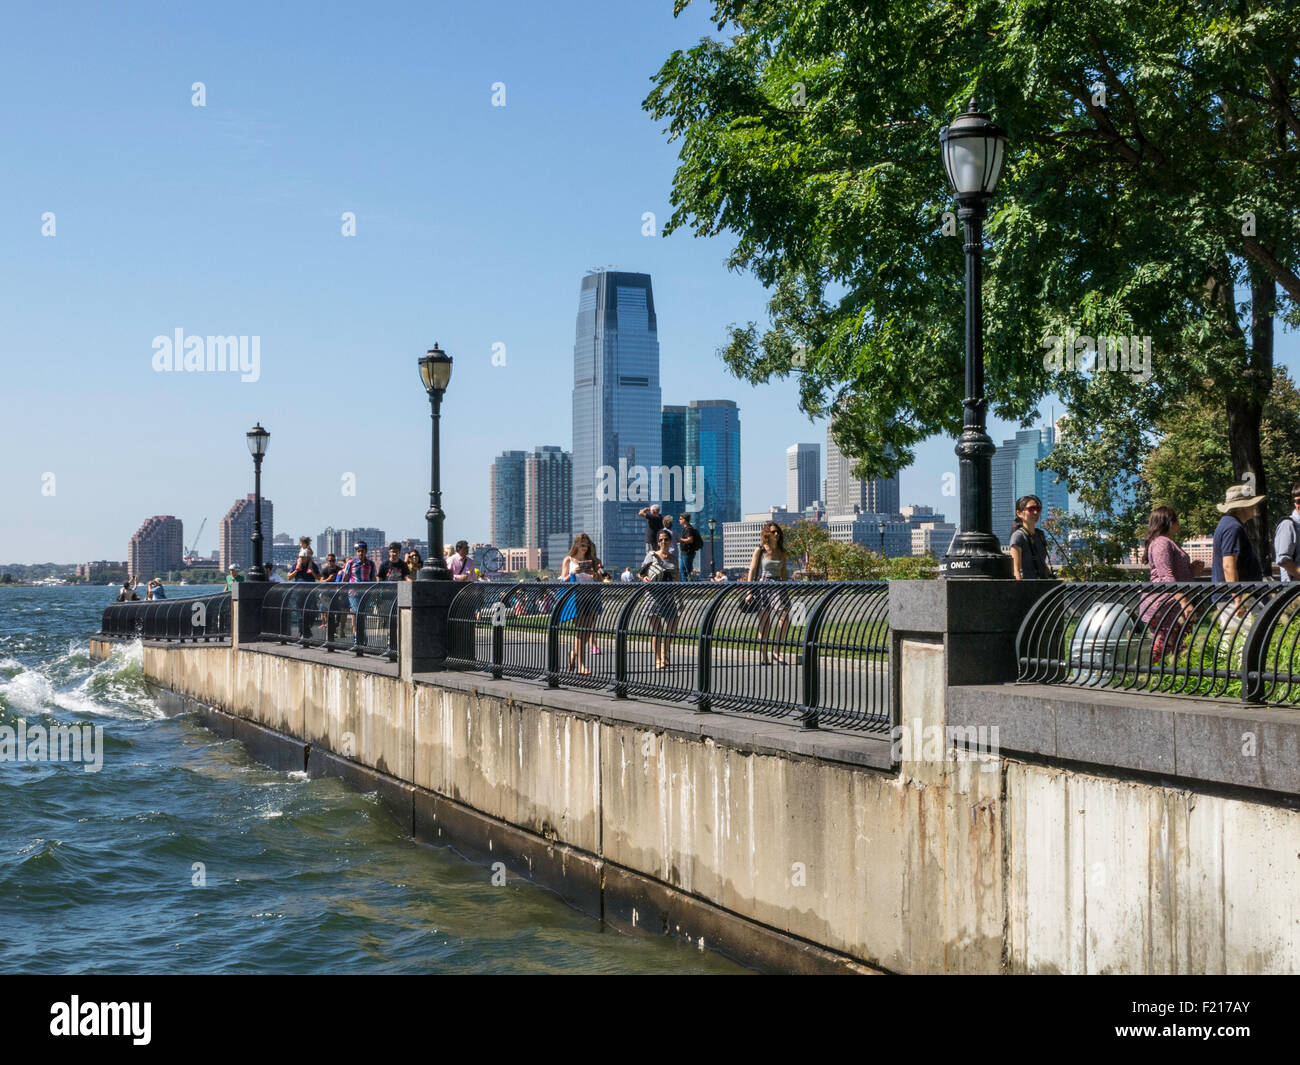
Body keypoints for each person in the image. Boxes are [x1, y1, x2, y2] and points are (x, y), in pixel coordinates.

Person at [1139, 506, 1202, 660]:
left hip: (1172, 604)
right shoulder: (1161, 543)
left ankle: (1173, 678)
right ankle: (1155, 677)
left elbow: (1171, 572)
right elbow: (1166, 576)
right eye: (1176, 519)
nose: (1179, 523)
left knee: (1178, 647)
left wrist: (1190, 570)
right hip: (1166, 605)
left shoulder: (1167, 542)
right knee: (1164, 647)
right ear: (1169, 522)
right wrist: (1184, 602)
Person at [744, 521, 791, 665]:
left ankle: (777, 651)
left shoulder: (782, 552)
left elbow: (783, 572)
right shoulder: (760, 550)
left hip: (778, 586)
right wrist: (749, 591)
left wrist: (786, 589)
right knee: (765, 623)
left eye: (777, 531)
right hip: (763, 586)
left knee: (785, 618)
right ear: (767, 534)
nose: (776, 534)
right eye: (772, 531)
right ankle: (764, 656)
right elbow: (752, 570)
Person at [560, 533, 603, 675]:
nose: (584, 548)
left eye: (587, 545)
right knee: (581, 630)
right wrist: (572, 573)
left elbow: (600, 580)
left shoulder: (593, 560)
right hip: (576, 597)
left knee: (587, 631)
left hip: (591, 596)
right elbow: (562, 581)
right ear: (576, 545)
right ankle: (581, 666)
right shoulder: (568, 560)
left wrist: (595, 574)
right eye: (582, 545)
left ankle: (574, 653)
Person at [639, 528, 680, 668]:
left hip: (668, 596)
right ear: (658, 542)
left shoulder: (674, 558)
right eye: (661, 539)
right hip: (653, 596)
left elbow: (676, 578)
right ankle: (658, 658)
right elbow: (641, 573)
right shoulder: (651, 555)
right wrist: (644, 578)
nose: (663, 542)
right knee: (657, 629)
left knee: (673, 625)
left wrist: (679, 598)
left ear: (670, 541)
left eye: (666, 539)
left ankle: (664, 651)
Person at [1211, 483, 1265, 583]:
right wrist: (1236, 596)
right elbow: (1228, 565)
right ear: (1241, 507)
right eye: (1252, 503)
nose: (1255, 506)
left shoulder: (1229, 523)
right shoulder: (1232, 527)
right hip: (1234, 596)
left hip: (1241, 594)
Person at [338, 541, 378, 647]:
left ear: (366, 551)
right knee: (357, 613)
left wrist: (375, 591)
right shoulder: (351, 563)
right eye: (358, 551)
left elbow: (373, 578)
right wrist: (341, 590)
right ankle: (360, 637)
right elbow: (345, 577)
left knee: (362, 615)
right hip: (353, 592)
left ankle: (360, 637)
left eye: (362, 551)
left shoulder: (371, 564)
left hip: (366, 593)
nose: (360, 553)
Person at [1008, 495, 1053, 580]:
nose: (1035, 512)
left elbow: (1042, 563)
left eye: (1038, 509)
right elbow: (1016, 570)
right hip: (1028, 586)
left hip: (1042, 585)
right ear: (1019, 513)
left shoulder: (1040, 535)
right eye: (1031, 509)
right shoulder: (1018, 536)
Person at [1273, 480, 1300, 581]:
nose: (1299, 505)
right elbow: (1283, 561)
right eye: (1298, 501)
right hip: (1294, 591)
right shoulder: (1288, 525)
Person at [319, 553, 343, 640]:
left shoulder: (339, 569)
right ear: (327, 561)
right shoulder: (325, 570)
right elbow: (321, 581)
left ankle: (334, 627)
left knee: (339, 612)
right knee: (330, 613)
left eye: (333, 560)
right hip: (327, 594)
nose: (331, 562)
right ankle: (331, 632)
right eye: (330, 561)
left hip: (336, 594)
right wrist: (329, 579)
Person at [677, 513, 702, 581]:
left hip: (688, 552)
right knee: (682, 570)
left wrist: (680, 539)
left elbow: (690, 540)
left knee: (688, 570)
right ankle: (685, 584)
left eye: (680, 519)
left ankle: (690, 583)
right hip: (684, 552)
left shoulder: (688, 529)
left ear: (684, 520)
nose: (679, 520)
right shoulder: (686, 528)